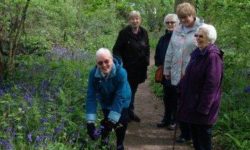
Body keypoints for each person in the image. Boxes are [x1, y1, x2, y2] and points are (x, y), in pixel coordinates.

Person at [178, 24, 223, 150]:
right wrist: (181, 89)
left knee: (203, 141)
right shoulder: (197, 53)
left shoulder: (212, 56)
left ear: (210, 38)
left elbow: (211, 86)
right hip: (192, 104)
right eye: (196, 35)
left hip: (204, 108)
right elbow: (189, 75)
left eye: (201, 36)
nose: (197, 38)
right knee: (196, 141)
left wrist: (204, 108)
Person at [163, 2, 203, 143]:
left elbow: (206, 52)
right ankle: (185, 133)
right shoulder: (177, 29)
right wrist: (166, 68)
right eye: (181, 18)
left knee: (192, 104)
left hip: (193, 74)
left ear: (193, 15)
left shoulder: (202, 29)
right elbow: (170, 50)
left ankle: (194, 134)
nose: (184, 20)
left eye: (187, 17)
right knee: (180, 104)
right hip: (176, 73)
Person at [85, 48, 131, 150]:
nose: (104, 65)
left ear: (111, 59)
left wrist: (113, 119)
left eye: (106, 61)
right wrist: (90, 122)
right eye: (100, 63)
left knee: (120, 123)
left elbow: (120, 97)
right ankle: (104, 142)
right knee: (107, 122)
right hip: (106, 100)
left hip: (123, 99)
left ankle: (119, 144)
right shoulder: (93, 74)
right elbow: (91, 97)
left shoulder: (121, 73)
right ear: (97, 64)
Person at [113, 10, 150, 122]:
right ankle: (126, 113)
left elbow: (147, 47)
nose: (135, 21)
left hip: (139, 68)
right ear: (129, 20)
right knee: (127, 91)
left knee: (133, 90)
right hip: (127, 68)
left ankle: (129, 111)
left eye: (137, 18)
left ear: (140, 20)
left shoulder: (144, 32)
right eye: (132, 19)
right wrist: (120, 63)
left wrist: (147, 60)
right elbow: (116, 50)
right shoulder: (123, 33)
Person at [154, 13, 179, 129]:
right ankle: (166, 118)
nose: (170, 24)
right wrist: (160, 65)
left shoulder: (180, 37)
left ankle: (175, 121)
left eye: (172, 22)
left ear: (177, 23)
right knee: (167, 97)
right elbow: (158, 53)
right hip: (165, 73)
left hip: (177, 73)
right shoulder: (163, 39)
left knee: (175, 97)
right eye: (168, 22)